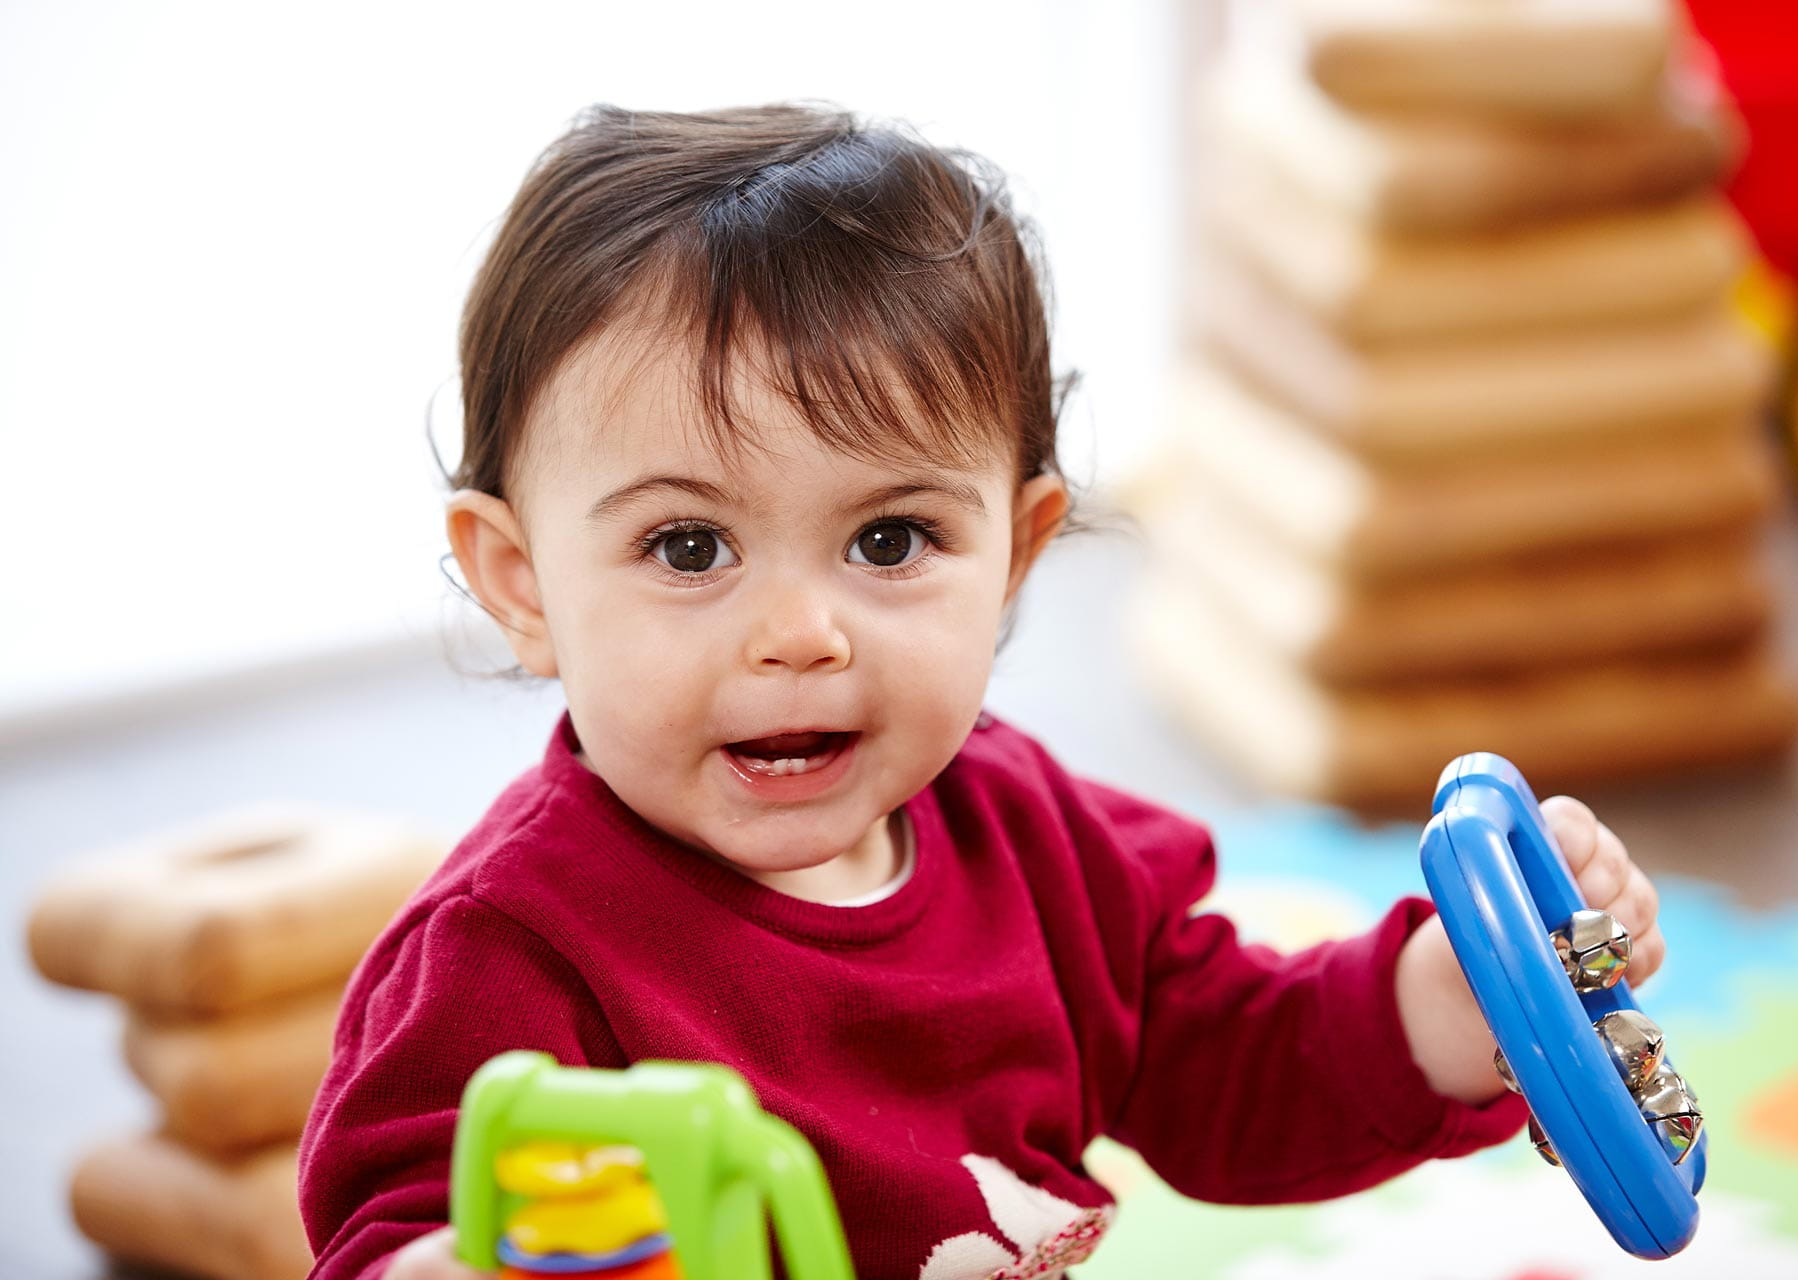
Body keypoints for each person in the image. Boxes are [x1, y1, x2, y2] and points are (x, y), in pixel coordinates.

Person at [296, 102, 1667, 1280]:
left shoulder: (1036, 842)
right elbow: (404, 1218)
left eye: (889, 540)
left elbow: (1232, 1074)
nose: (801, 635)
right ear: (523, 579)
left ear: (1014, 548)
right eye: (689, 547)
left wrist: (1447, 1003)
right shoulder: (505, 961)